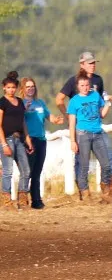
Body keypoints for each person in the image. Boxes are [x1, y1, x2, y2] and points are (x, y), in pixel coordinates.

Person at [56, 52, 112, 189]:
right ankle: (83, 190)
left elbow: (100, 102)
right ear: (82, 64)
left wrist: (107, 104)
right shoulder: (73, 81)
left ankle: (108, 186)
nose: (92, 65)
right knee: (82, 162)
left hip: (96, 126)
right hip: (81, 129)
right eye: (89, 63)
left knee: (109, 157)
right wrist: (69, 116)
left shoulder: (98, 80)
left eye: (94, 62)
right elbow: (59, 99)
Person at [68, 69, 112, 202]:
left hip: (97, 133)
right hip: (83, 135)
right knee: (84, 165)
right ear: (78, 86)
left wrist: (108, 103)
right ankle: (85, 192)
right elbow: (72, 122)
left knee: (106, 164)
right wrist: (73, 141)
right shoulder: (74, 101)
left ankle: (105, 187)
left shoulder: (95, 96)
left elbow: (102, 114)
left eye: (87, 85)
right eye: (82, 85)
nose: (85, 88)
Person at [21, 77, 64, 209]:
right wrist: (24, 109)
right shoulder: (21, 103)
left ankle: (36, 200)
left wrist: (56, 120)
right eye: (27, 87)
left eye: (32, 86)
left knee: (37, 172)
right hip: (29, 139)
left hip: (41, 140)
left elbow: (48, 115)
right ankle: (22, 198)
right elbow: (17, 118)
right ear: (22, 89)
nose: (30, 89)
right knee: (27, 171)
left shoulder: (39, 103)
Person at [0, 72, 33, 209]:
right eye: (8, 87)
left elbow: (23, 121)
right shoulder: (2, 102)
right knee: (8, 171)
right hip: (6, 139)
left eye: (13, 87)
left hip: (19, 139)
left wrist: (28, 139)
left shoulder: (20, 102)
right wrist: (3, 144)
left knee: (26, 170)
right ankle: (6, 201)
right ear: (4, 88)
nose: (11, 90)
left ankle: (22, 198)